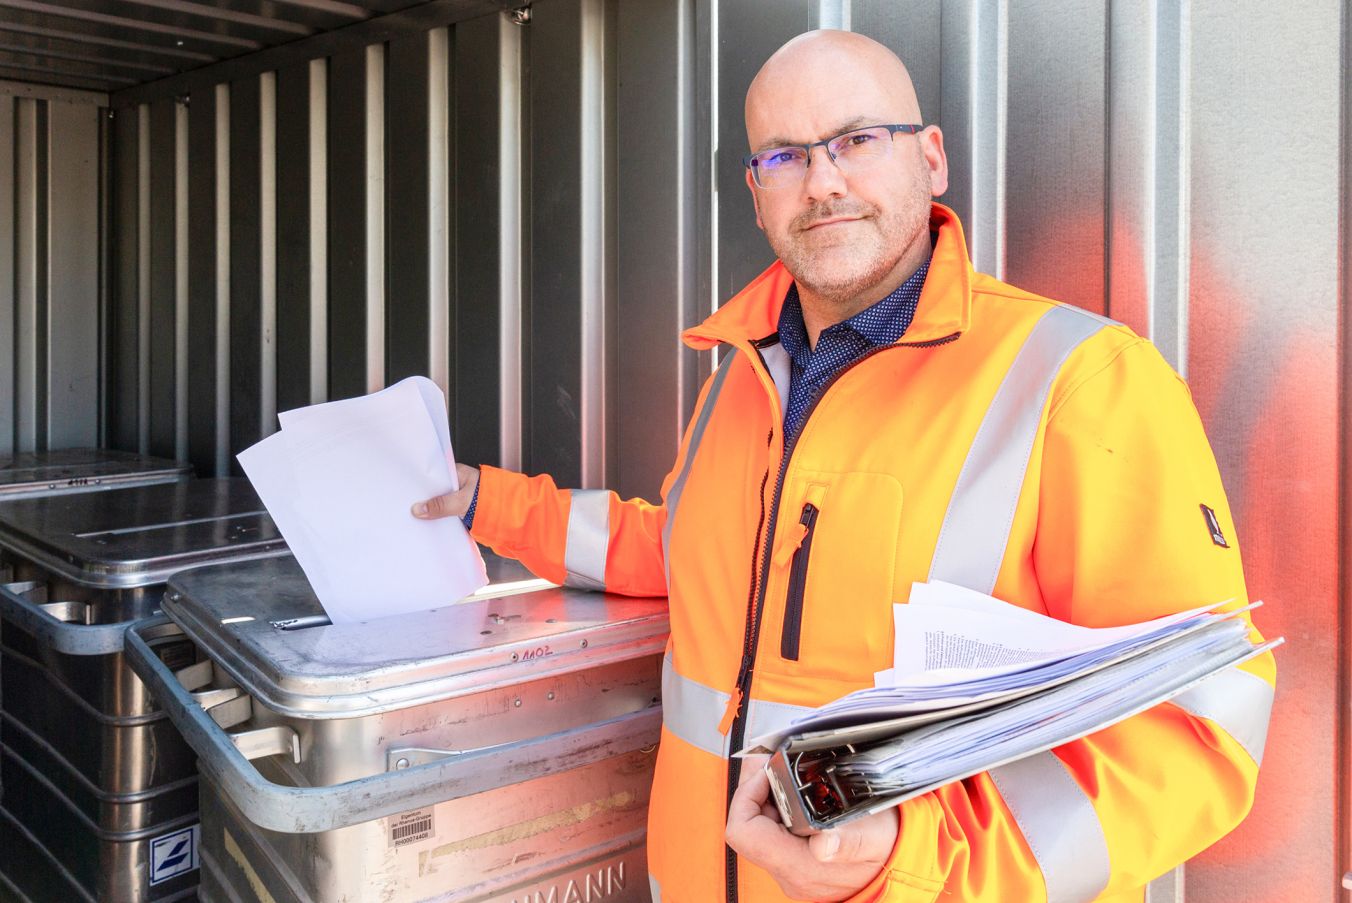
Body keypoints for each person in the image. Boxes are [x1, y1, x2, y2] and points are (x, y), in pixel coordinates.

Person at [413, 29, 1274, 903]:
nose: (822, 181)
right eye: (784, 156)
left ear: (931, 159)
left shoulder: (1080, 381)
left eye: (858, 140)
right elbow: (690, 558)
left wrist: (913, 857)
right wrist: (492, 503)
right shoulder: (742, 378)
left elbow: (1197, 726)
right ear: (756, 195)